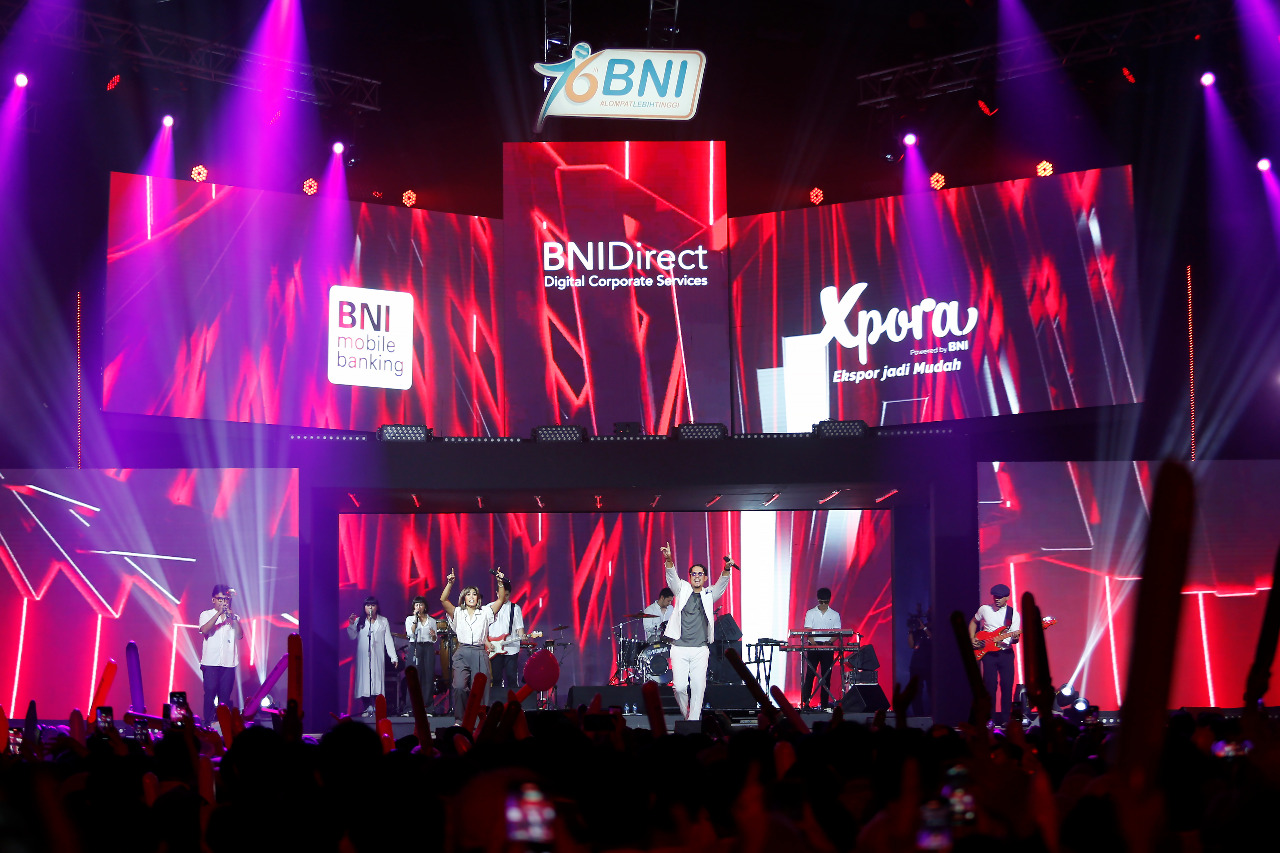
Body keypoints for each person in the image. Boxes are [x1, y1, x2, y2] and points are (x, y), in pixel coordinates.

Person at [661, 542, 732, 721]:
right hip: (679, 647)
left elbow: (721, 586)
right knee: (679, 687)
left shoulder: (709, 594)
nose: (697, 576)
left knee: (699, 687)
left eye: (700, 574)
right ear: (690, 577)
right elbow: (672, 578)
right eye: (694, 574)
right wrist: (668, 559)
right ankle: (688, 716)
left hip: (700, 649)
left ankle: (693, 722)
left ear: (705, 578)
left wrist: (726, 569)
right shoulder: (682, 588)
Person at [440, 568, 509, 713]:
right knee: (459, 686)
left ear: (478, 598)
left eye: (474, 594)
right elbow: (443, 600)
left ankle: (480, 718)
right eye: (468, 594)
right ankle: (460, 719)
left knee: (481, 688)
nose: (471, 597)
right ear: (464, 598)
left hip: (479, 652)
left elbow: (501, 600)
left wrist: (500, 582)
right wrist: (450, 583)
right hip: (462, 652)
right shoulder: (458, 612)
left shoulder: (485, 612)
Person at [969, 583, 1021, 724]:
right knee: (990, 686)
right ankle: (989, 719)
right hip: (989, 654)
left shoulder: (1013, 614)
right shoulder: (984, 609)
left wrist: (1016, 638)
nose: (997, 599)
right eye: (995, 596)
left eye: (1000, 597)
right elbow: (973, 622)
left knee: (1007, 686)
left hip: (1005, 654)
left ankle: (1005, 720)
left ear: (1007, 597)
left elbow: (1014, 639)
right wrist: (972, 638)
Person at [198, 584, 243, 726]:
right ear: (213, 600)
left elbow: (240, 635)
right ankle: (208, 724)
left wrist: (233, 618)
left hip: (229, 664)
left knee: (224, 697)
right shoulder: (206, 614)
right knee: (210, 693)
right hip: (211, 663)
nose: (223, 602)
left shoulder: (234, 617)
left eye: (226, 599)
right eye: (220, 599)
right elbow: (204, 630)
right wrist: (218, 614)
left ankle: (222, 725)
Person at [347, 596, 398, 716]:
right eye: (368, 605)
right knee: (364, 680)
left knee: (376, 680)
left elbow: (388, 640)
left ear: (377, 607)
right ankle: (366, 707)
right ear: (364, 607)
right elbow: (352, 636)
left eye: (373, 605)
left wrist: (393, 657)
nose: (370, 607)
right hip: (363, 657)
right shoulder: (359, 621)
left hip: (378, 656)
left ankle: (375, 707)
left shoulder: (383, 621)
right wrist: (351, 624)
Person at [801, 587, 841, 710]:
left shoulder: (835, 614)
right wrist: (814, 644)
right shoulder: (810, 613)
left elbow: (837, 633)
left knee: (826, 676)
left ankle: (824, 705)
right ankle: (805, 703)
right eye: (821, 602)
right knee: (810, 675)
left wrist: (829, 642)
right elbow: (808, 630)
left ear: (829, 600)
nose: (823, 605)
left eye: (826, 602)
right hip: (813, 646)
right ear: (818, 600)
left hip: (827, 646)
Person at [487, 578, 525, 691]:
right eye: (502, 595)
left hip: (511, 648)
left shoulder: (515, 608)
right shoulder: (489, 607)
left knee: (512, 677)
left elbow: (519, 628)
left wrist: (523, 636)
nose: (504, 598)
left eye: (507, 595)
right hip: (494, 648)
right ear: (497, 593)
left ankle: (513, 700)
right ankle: (496, 700)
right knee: (496, 678)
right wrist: (487, 643)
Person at [404, 595, 437, 714]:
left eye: (421, 604)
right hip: (415, 646)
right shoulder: (410, 619)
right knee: (413, 676)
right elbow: (410, 633)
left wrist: (433, 635)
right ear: (414, 607)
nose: (419, 607)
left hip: (428, 647)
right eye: (416, 605)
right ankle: (410, 707)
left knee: (428, 676)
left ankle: (428, 707)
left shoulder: (432, 620)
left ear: (425, 606)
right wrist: (415, 619)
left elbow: (434, 639)